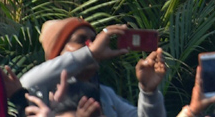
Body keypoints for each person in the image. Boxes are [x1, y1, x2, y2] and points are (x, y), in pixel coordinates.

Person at [20, 21, 168, 117]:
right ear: (58, 54)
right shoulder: (45, 90)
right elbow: (26, 82)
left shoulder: (105, 94)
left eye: (94, 40)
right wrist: (90, 53)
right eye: (81, 40)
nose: (92, 45)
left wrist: (149, 92)